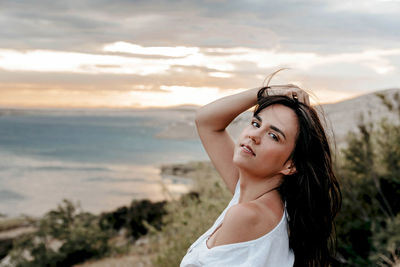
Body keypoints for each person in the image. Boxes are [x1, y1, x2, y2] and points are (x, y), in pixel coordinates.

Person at [179, 70, 342, 267]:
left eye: (274, 136)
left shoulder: (248, 215)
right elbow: (206, 121)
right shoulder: (259, 197)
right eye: (256, 123)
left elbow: (206, 122)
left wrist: (266, 93)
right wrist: (265, 92)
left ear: (291, 165)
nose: (254, 136)